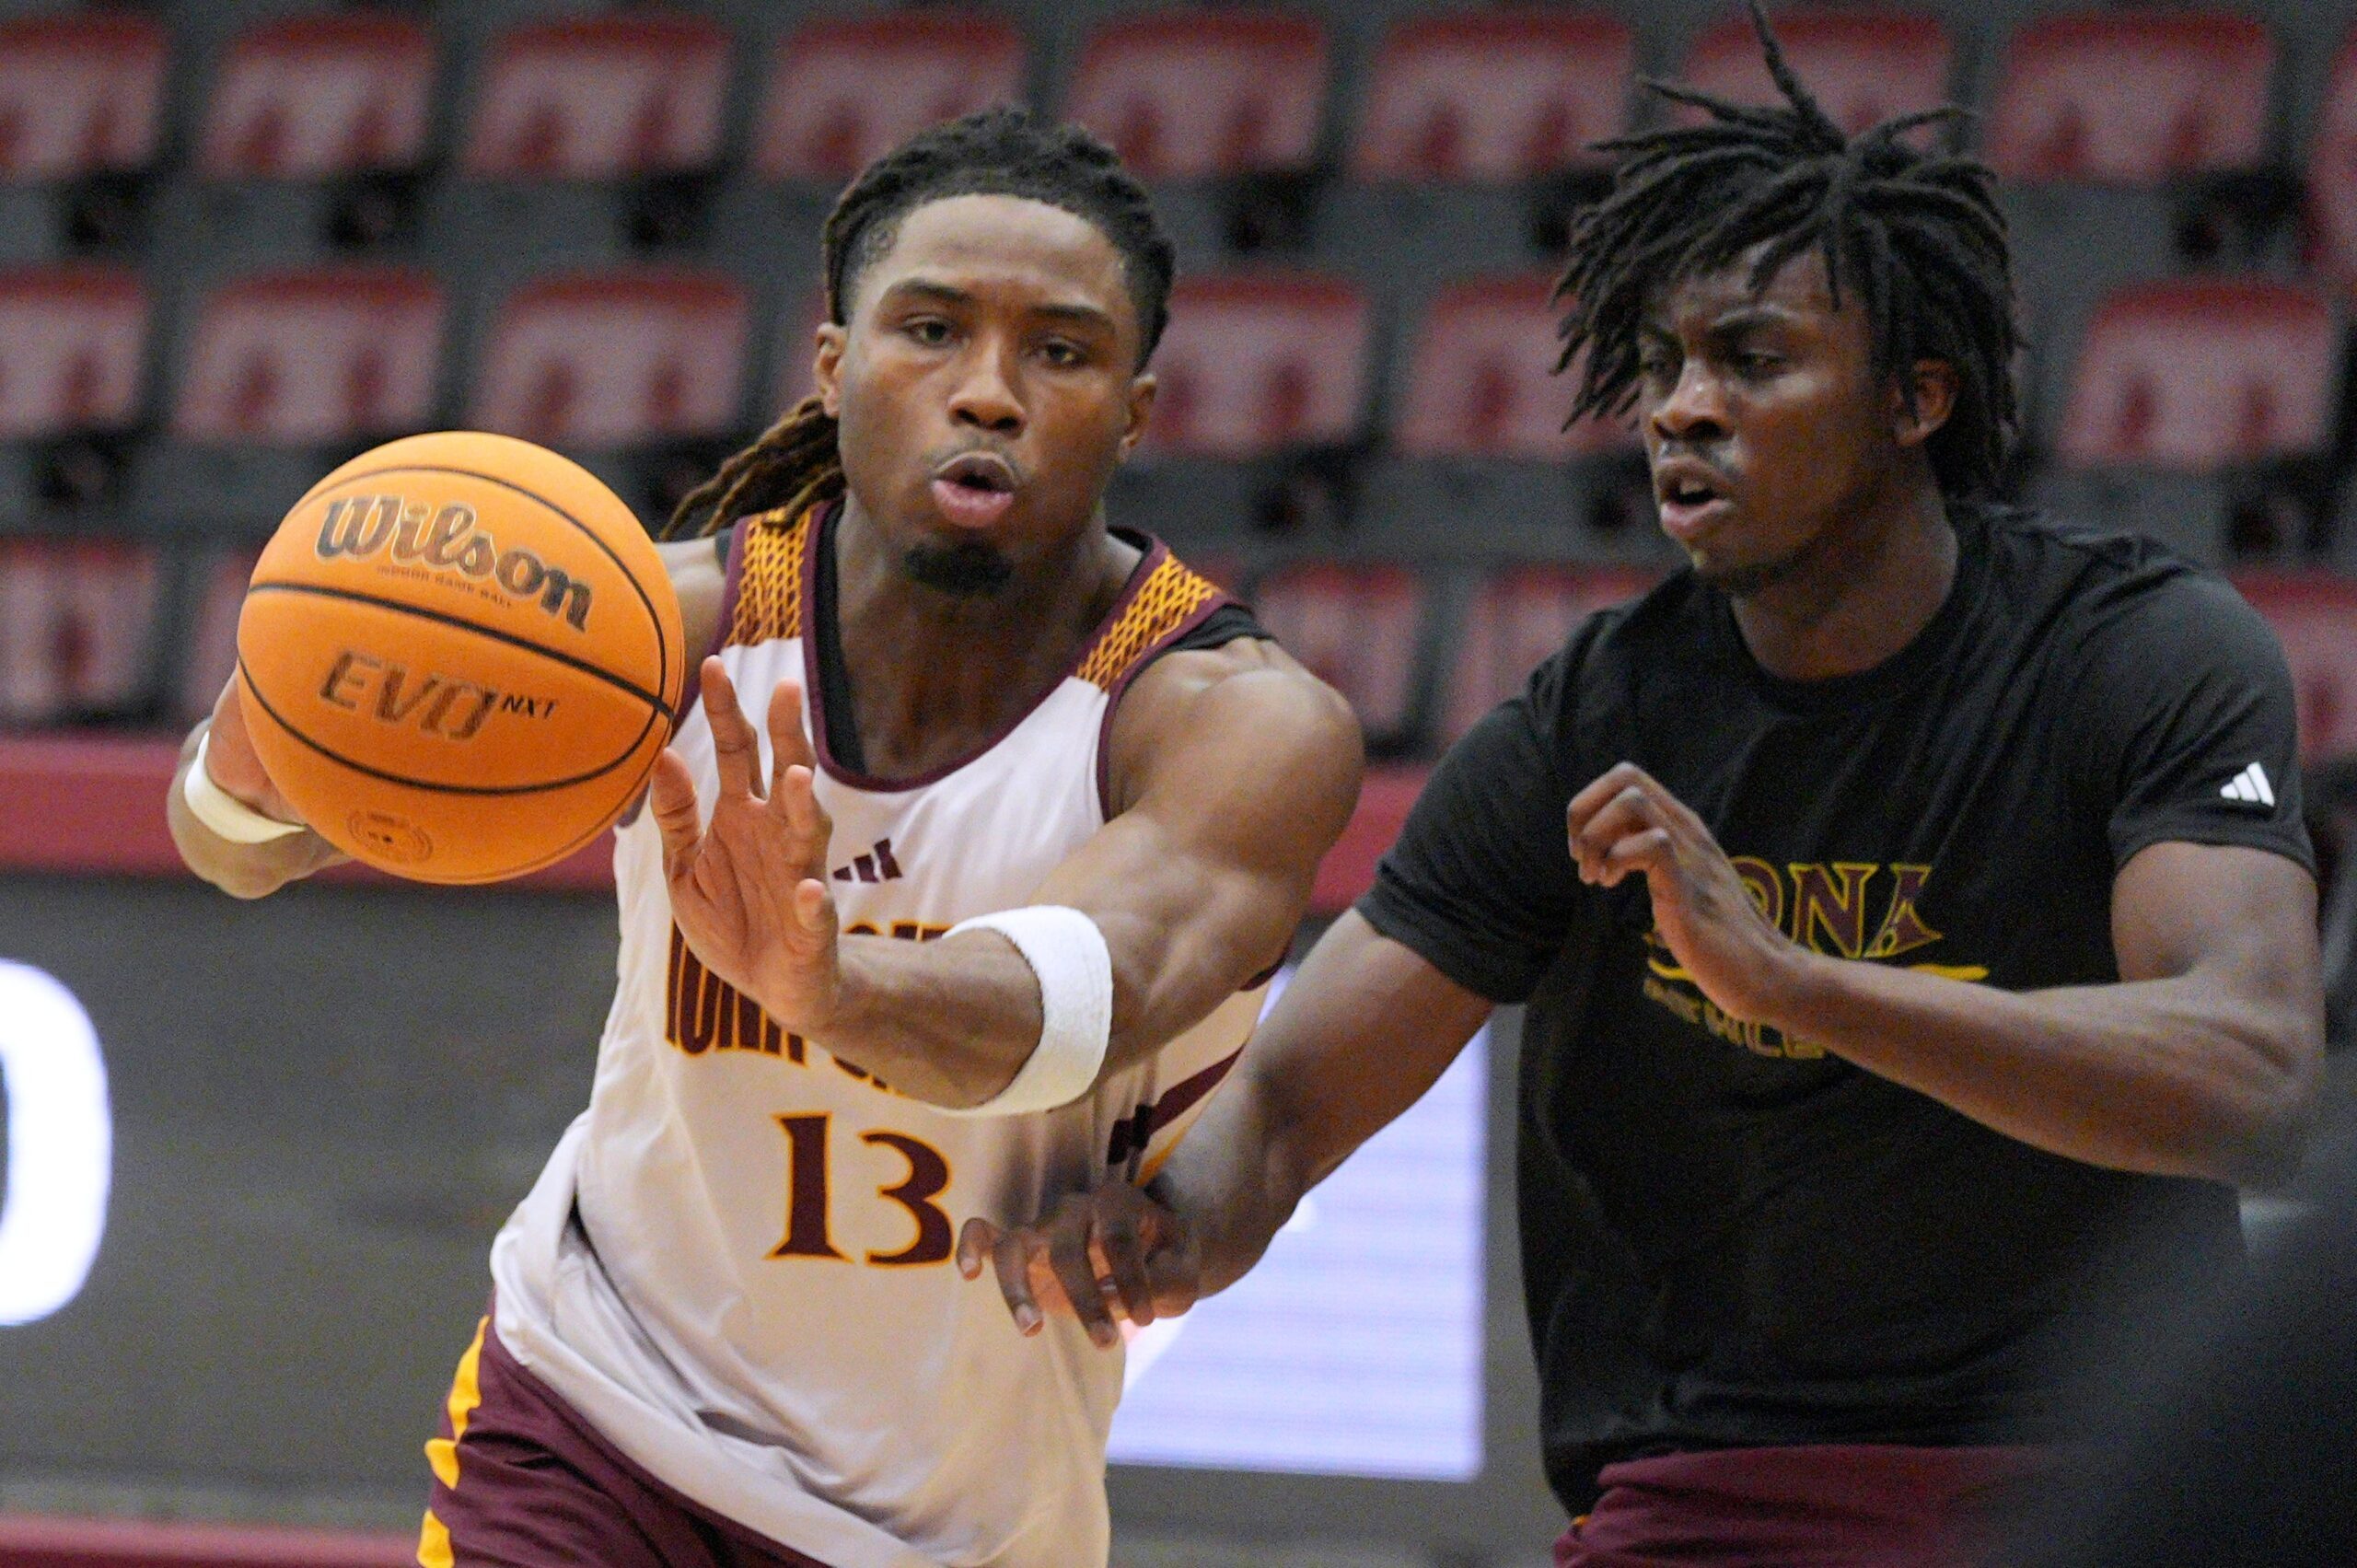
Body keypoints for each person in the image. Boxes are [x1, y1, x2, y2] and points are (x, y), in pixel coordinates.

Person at [959, 11, 2327, 1564]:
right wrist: (1165, 1222)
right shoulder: (1589, 724)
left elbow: (2254, 1076)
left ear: (1917, 401)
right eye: (1663, 365)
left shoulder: (2136, 656)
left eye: (1752, 361)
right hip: (1715, 1489)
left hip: (2094, 1478)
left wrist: (1797, 983)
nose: (1680, 407)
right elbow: (1282, 1112)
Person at [167, 108, 1362, 1568]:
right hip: (599, 1409)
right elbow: (237, 850)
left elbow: (1074, 1007)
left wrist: (833, 990)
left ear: (1136, 409)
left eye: (1059, 350)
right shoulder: (659, 634)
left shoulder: (1230, 725)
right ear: (836, 366)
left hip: (953, 1517)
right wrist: (266, 731)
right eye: (929, 330)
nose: (986, 390)